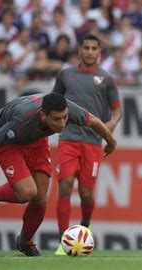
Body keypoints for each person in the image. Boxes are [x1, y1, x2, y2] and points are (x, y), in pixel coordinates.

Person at [0, 93, 117, 256]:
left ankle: (25, 242)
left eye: (64, 117)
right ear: (43, 116)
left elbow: (94, 121)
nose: (62, 124)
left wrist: (111, 142)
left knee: (40, 198)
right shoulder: (21, 121)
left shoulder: (69, 109)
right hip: (8, 143)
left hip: (37, 143)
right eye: (56, 119)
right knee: (27, 193)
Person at [52, 34, 122, 255]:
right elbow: (53, 104)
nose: (90, 52)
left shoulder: (107, 79)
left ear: (99, 52)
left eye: (94, 48)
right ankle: (64, 242)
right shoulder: (66, 75)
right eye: (86, 48)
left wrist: (109, 126)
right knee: (64, 186)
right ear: (79, 51)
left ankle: (85, 225)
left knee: (85, 193)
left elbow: (117, 111)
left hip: (92, 142)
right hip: (69, 138)